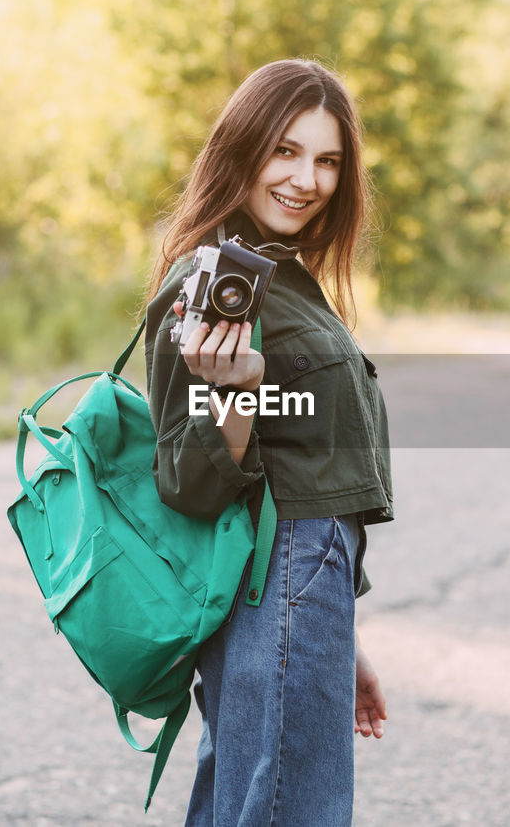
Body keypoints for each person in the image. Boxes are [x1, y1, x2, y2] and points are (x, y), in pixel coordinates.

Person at [143, 59, 393, 826]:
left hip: (296, 588)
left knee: (253, 805)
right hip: (276, 580)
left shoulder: (281, 278)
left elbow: (304, 466)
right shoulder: (211, 280)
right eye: (285, 151)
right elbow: (187, 480)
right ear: (243, 149)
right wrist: (236, 390)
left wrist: (338, 637)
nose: (306, 179)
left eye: (327, 160)